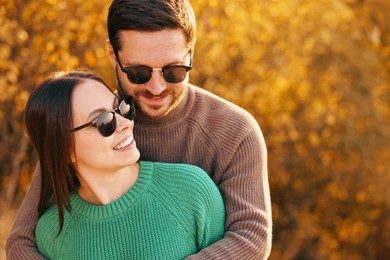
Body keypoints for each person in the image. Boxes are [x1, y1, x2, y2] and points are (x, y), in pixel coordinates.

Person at [6, 0, 272, 259]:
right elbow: (22, 242)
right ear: (113, 54)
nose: (157, 88)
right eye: (139, 73)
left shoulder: (235, 131)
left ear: (191, 51)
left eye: (174, 70)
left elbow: (251, 236)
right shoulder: (85, 125)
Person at [23, 70, 226, 259]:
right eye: (103, 121)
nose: (125, 123)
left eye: (122, 108)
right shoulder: (52, 234)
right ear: (65, 148)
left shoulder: (190, 191)